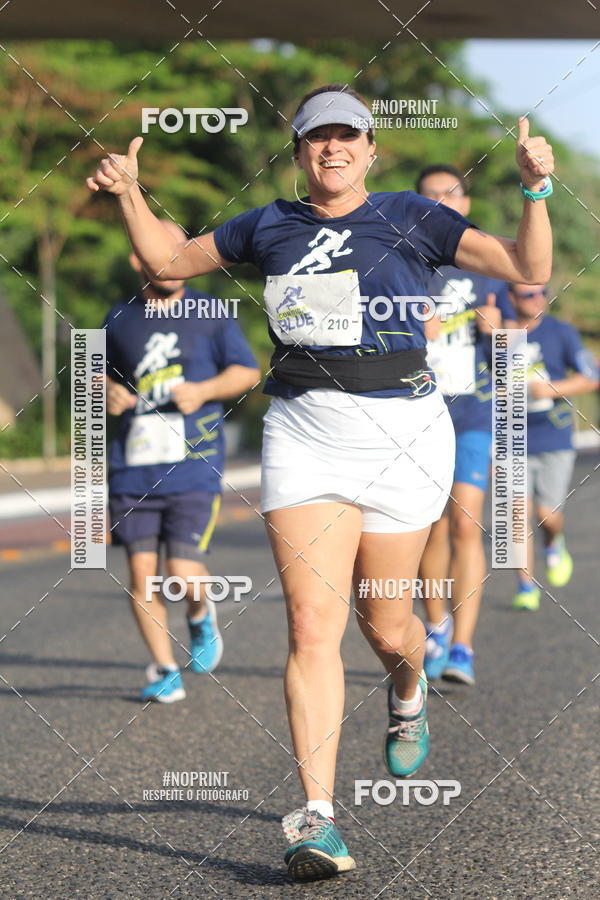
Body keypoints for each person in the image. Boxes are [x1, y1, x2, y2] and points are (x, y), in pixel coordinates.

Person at [87, 85, 553, 882]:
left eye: (347, 135)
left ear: (371, 149)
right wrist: (132, 194)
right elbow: (169, 259)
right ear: (298, 151)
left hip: (403, 433)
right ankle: (317, 821)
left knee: (387, 629)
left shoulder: (413, 215)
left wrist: (536, 190)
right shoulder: (267, 224)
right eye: (316, 137)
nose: (331, 147)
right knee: (311, 626)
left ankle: (408, 686)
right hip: (303, 430)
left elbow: (523, 266)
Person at [104, 220, 259, 703]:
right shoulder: (116, 317)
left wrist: (204, 390)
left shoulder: (211, 313)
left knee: (182, 572)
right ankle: (163, 667)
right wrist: (106, 393)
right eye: (156, 247)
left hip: (195, 462)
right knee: (142, 575)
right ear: (138, 257)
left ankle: (198, 614)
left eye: (178, 247)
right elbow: (91, 379)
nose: (167, 256)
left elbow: (248, 371)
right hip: (133, 464)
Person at [416, 165, 517, 686]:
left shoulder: (485, 264)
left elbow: (512, 363)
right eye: (429, 195)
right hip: (417, 409)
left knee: (464, 523)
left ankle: (463, 647)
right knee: (431, 526)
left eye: (450, 194)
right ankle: (435, 625)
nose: (440, 202)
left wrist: (499, 335)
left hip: (473, 409)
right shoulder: (402, 260)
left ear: (466, 201)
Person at [508, 282, 597, 611]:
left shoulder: (561, 332)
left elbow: (590, 376)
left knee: (547, 515)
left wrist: (551, 390)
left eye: (541, 292)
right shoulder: (497, 333)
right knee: (517, 514)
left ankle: (553, 542)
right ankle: (525, 585)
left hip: (554, 437)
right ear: (510, 297)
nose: (538, 299)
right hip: (512, 438)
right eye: (528, 294)